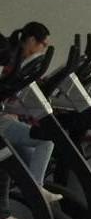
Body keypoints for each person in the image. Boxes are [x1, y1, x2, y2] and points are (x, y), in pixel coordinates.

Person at [0, 22, 61, 204]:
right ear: (33, 40)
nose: (44, 49)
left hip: (9, 119)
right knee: (46, 140)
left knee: (27, 162)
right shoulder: (12, 61)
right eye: (43, 44)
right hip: (4, 122)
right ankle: (35, 190)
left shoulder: (17, 62)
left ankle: (31, 191)